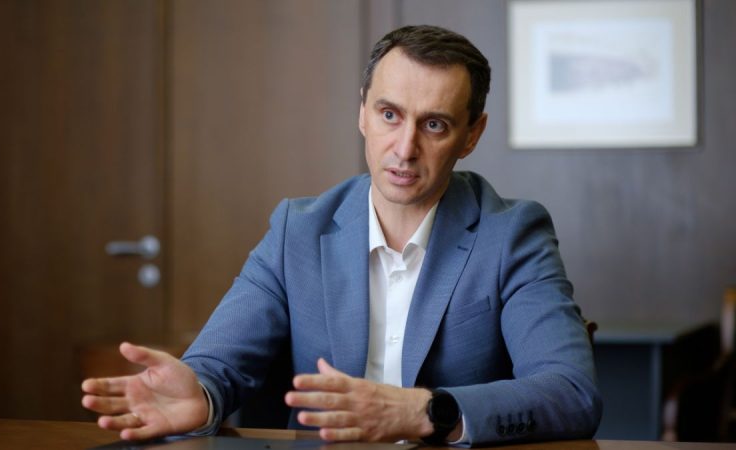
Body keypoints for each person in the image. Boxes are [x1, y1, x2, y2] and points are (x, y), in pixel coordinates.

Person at [81, 24, 602, 446]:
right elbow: (220, 364)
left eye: (434, 125)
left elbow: (572, 392)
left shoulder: (512, 234)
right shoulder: (298, 230)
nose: (404, 148)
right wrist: (199, 393)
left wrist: (424, 412)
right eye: (389, 115)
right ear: (362, 113)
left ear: (471, 135)